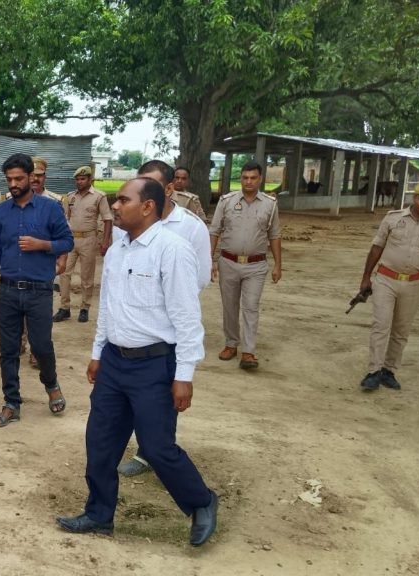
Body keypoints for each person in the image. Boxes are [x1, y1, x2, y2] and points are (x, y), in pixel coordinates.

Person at [56, 177, 217, 547]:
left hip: (154, 365)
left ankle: (202, 502)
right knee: (100, 441)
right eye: (115, 200)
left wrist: (184, 375)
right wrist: (98, 354)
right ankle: (99, 514)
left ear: (147, 206)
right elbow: (108, 308)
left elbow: (187, 318)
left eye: (123, 200)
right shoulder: (117, 249)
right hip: (114, 362)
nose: (114, 206)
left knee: (157, 447)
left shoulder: (171, 249)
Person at [115, 162, 212, 478]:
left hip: (167, 330)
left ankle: (156, 455)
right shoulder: (126, 225)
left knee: (163, 404)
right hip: (132, 329)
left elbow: (197, 279)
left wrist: (161, 302)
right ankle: (149, 452)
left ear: (168, 189)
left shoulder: (190, 227)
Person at [0, 153, 73, 427]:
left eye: (19, 178)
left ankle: (51, 384)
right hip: (8, 291)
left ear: (32, 177)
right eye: (9, 180)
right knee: (8, 350)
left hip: (39, 290)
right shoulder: (3, 212)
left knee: (41, 346)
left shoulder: (50, 208)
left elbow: (67, 241)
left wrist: (42, 245)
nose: (14, 184)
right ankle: (11, 403)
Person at [357, 181, 419, 392]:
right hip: (386, 280)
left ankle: (389, 371)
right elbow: (376, 247)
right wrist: (366, 278)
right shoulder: (393, 218)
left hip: (414, 283)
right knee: (381, 325)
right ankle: (374, 371)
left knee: (401, 330)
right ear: (414, 198)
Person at [209, 161, 282, 370]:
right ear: (240, 178)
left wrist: (278, 265)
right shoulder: (227, 201)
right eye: (244, 177)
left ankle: (248, 352)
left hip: (256, 266)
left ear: (260, 179)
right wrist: (210, 260)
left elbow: (275, 235)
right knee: (230, 306)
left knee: (251, 307)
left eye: (253, 178)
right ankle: (231, 344)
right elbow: (214, 231)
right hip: (228, 262)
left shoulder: (270, 204)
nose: (248, 181)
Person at [23, 156, 67, 368]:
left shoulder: (55, 201)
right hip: (20, 263)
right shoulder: (12, 199)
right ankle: (19, 344)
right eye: (33, 175)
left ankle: (36, 351)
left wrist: (62, 258)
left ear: (44, 177)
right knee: (17, 308)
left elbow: (63, 234)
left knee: (39, 312)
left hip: (43, 264)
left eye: (40, 176)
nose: (36, 180)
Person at [54, 166, 112, 323]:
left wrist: (105, 241)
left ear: (90, 179)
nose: (79, 182)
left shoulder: (99, 196)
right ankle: (64, 307)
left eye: (83, 179)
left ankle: (85, 308)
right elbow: (65, 219)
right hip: (70, 239)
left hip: (89, 239)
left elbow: (107, 219)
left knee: (87, 276)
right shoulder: (71, 197)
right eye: (77, 179)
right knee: (64, 273)